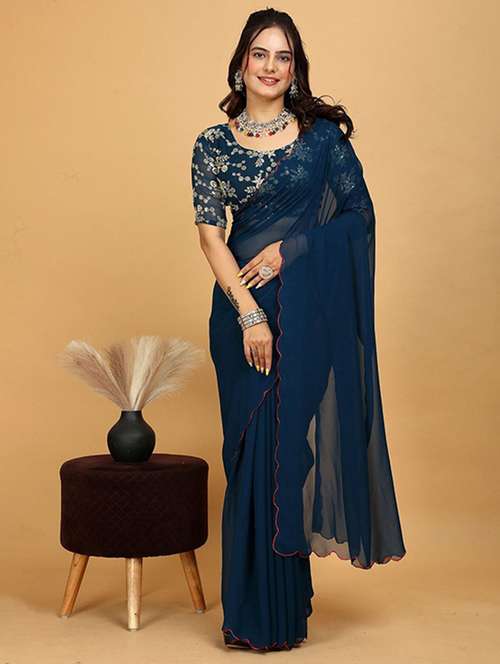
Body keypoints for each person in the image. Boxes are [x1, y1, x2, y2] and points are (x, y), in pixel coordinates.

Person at [190, 8, 407, 652]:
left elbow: (359, 218)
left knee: (287, 453)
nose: (270, 66)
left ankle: (280, 614)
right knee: (247, 454)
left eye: (282, 56)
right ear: (241, 63)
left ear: (295, 69)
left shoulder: (322, 141)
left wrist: (294, 249)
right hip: (239, 317)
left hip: (306, 315)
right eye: (259, 54)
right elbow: (210, 236)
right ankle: (248, 615)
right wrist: (249, 314)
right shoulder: (213, 143)